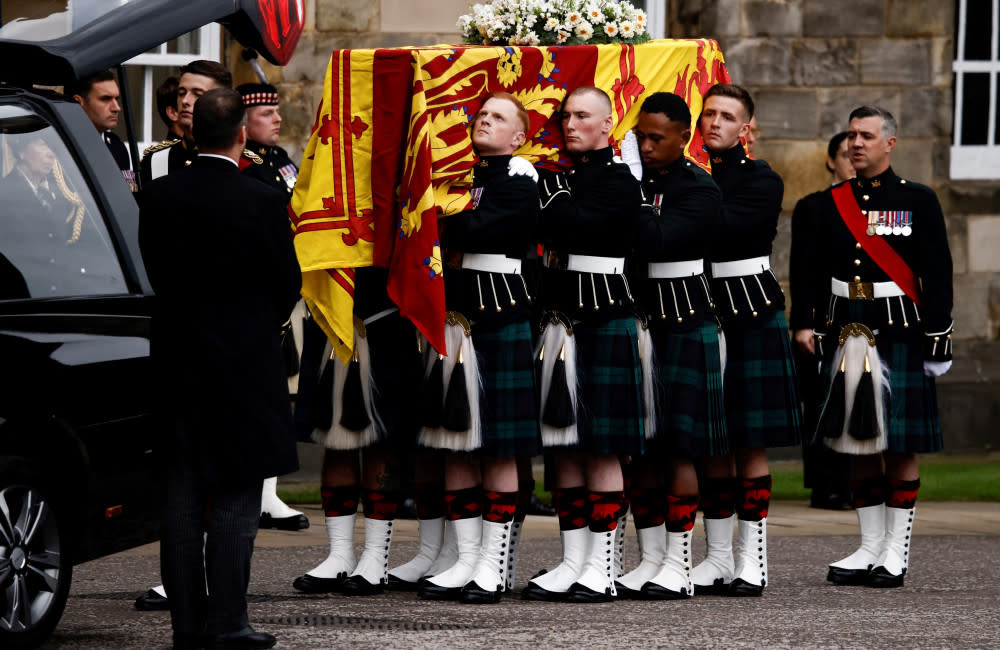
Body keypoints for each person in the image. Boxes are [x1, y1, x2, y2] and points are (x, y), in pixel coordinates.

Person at [138, 87, 301, 650]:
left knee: (181, 497)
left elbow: (153, 272)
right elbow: (287, 283)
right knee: (235, 494)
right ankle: (228, 622)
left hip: (177, 359)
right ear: (239, 136)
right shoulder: (260, 198)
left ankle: (187, 625)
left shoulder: (158, 196)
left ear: (192, 133)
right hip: (242, 362)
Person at [807, 106, 952, 588]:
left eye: (867, 136)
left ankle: (896, 550)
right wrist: (814, 326)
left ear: (890, 143)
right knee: (858, 441)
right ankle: (869, 544)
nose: (856, 143)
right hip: (849, 328)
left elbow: (939, 272)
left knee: (901, 443)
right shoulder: (827, 204)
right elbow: (813, 274)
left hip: (899, 330)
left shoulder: (918, 200)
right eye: (851, 135)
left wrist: (938, 338)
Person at [414, 92, 541, 603]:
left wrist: (446, 221)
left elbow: (483, 226)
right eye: (482, 114)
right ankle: (467, 559)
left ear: (518, 137)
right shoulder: (461, 179)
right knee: (456, 439)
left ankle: (493, 564)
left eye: (499, 117)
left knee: (500, 447)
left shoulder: (521, 179)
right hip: (457, 314)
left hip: (502, 311)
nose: (484, 120)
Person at [521, 86, 643, 603]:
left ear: (608, 122)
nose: (570, 124)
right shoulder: (555, 177)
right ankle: (574, 560)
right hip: (557, 315)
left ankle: (603, 564)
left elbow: (581, 225)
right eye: (565, 115)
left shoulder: (620, 179)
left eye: (582, 116)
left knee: (602, 443)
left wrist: (554, 203)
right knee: (562, 444)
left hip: (602, 313)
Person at [615, 92, 725, 600]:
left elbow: (657, 240)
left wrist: (632, 194)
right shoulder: (638, 184)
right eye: (641, 135)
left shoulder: (700, 189)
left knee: (680, 447)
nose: (647, 144)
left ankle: (678, 565)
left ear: (685, 137)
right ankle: (651, 558)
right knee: (642, 449)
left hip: (683, 321)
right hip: (643, 322)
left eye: (657, 137)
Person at [695, 83, 800, 597]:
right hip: (697, 304)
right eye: (708, 113)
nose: (714, 122)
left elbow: (727, 228)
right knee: (713, 438)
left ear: (746, 128)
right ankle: (715, 558)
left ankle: (751, 560)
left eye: (726, 116)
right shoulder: (683, 174)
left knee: (750, 440)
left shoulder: (762, 178)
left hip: (749, 308)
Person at [790, 132, 855, 511]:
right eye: (845, 154)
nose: (852, 160)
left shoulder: (879, 208)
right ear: (831, 161)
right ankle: (826, 486)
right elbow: (802, 270)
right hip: (823, 320)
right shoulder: (813, 207)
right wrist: (803, 323)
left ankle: (855, 485)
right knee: (821, 404)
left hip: (864, 318)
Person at [140, 60, 232, 184]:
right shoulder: (155, 162)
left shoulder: (244, 164)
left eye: (197, 94)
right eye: (181, 93)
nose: (185, 101)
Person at [68, 69, 135, 190]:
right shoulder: (63, 147)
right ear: (78, 103)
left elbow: (128, 197)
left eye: (116, 99)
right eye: (106, 99)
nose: (116, 108)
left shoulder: (117, 147)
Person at [236, 83, 298, 200]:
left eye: (277, 112)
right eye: (267, 114)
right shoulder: (244, 165)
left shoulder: (279, 155)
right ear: (243, 121)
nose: (278, 119)